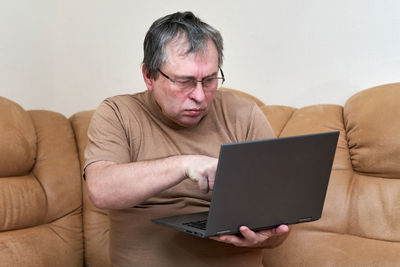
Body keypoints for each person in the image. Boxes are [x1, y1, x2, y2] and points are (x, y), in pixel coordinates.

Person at [84, 11, 289, 266]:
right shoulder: (118, 113)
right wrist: (184, 165)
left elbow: (279, 225)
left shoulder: (244, 114)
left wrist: (264, 239)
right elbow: (100, 190)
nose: (200, 96)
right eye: (185, 81)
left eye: (210, 79)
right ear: (149, 76)